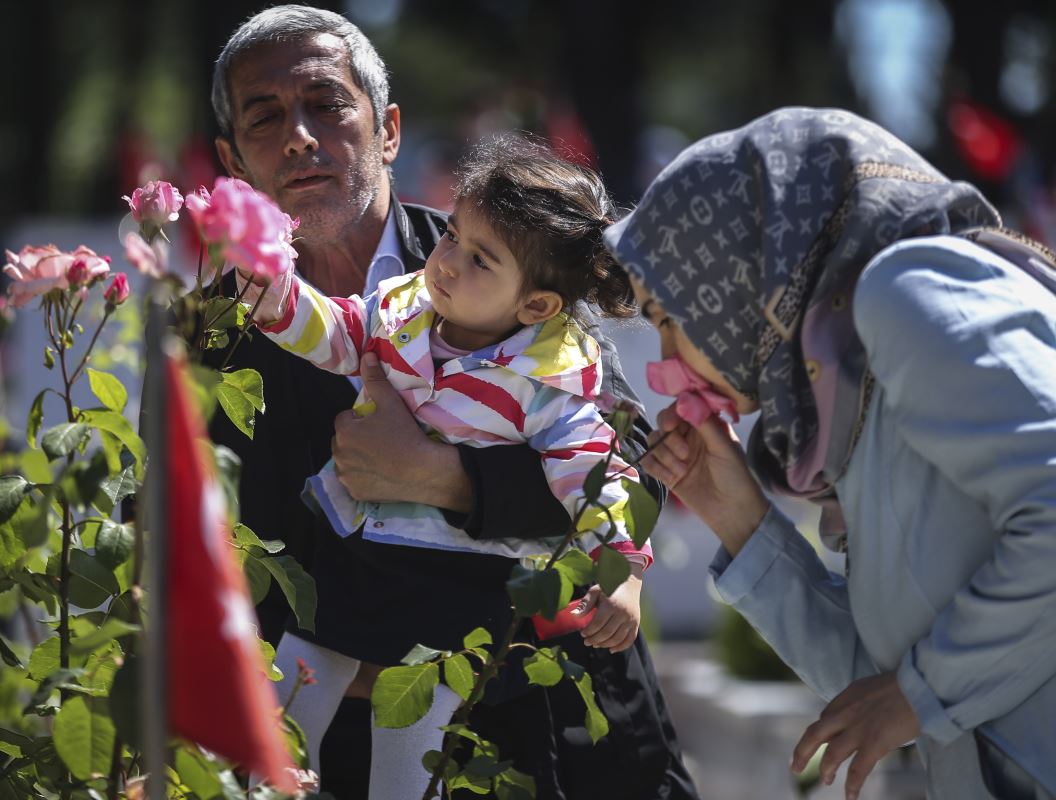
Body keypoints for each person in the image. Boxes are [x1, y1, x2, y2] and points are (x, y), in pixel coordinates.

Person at [207, 6, 697, 799]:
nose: (300, 136)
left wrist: (453, 480)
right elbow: (205, 545)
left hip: (558, 728)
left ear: (388, 130)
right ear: (233, 162)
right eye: (266, 116)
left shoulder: (517, 260)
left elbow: (635, 466)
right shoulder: (215, 335)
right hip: (346, 749)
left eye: (327, 104)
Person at [606, 106, 1056, 799]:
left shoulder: (904, 289)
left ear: (729, 278)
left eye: (667, 317)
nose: (666, 359)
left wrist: (920, 690)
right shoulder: (849, 403)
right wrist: (741, 522)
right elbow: (885, 690)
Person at [246, 135, 652, 797]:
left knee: (410, 740)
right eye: (452, 236)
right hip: (354, 548)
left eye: (480, 258)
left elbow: (601, 479)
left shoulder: (550, 382)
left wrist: (624, 576)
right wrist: (273, 294)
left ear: (537, 307)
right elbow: (337, 331)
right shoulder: (404, 309)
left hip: (456, 583)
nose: (448, 262)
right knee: (288, 691)